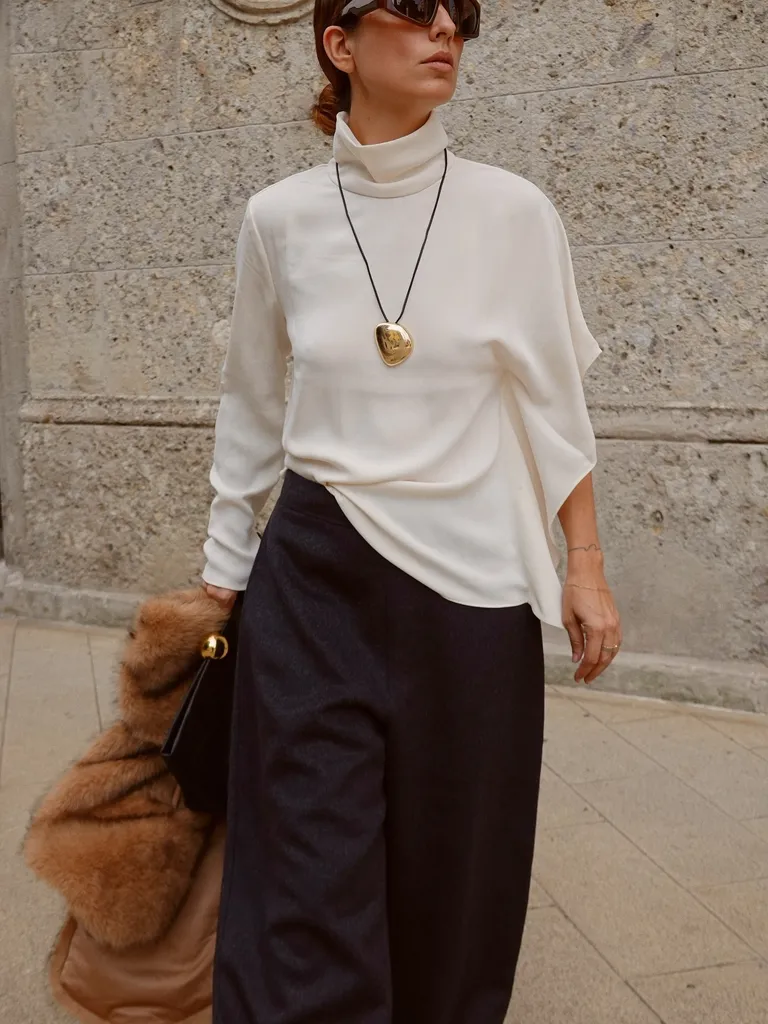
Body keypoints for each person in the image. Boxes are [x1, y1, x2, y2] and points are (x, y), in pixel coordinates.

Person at [201, 0, 622, 1020]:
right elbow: (253, 404)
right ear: (340, 46)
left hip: (471, 591)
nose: (446, 29)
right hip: (312, 578)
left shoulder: (513, 212)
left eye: (461, 14)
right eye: (415, 8)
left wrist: (585, 561)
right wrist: (219, 580)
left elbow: (555, 404)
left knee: (456, 890)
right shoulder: (281, 217)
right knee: (305, 881)